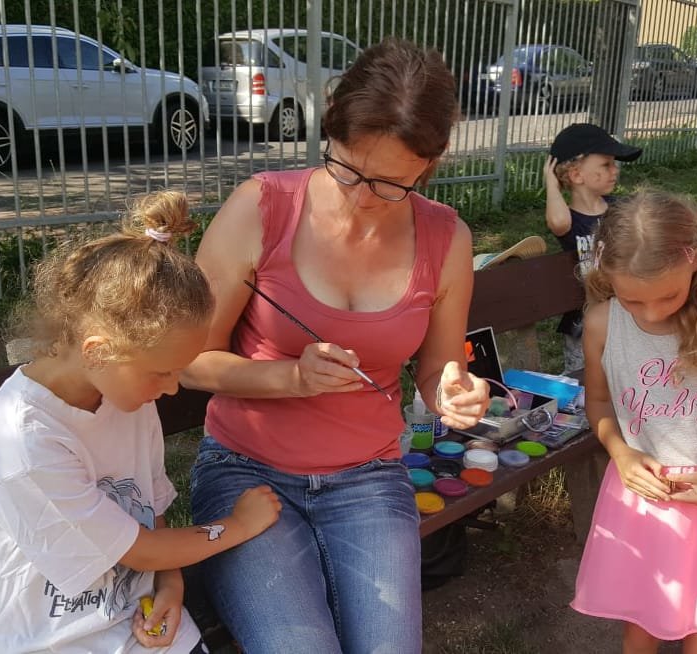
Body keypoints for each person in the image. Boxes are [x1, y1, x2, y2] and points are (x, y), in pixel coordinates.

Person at [180, 38, 490, 654]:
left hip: (369, 476)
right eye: (347, 167)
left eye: (390, 184)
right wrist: (290, 379)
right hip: (246, 469)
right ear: (330, 128)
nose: (361, 197)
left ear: (431, 162)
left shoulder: (446, 237)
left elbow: (438, 366)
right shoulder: (262, 207)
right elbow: (189, 360)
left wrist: (452, 389)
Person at [0, 191, 283, 653]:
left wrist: (170, 585)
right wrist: (237, 526)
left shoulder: (126, 399)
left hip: (142, 621)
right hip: (53, 643)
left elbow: (150, 511)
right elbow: (142, 550)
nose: (172, 388)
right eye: (162, 371)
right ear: (97, 351)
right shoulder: (24, 443)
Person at [571, 190, 697, 652]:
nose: (653, 312)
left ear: (695, 257)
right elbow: (598, 403)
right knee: (640, 619)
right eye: (632, 300)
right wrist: (620, 453)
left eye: (668, 296)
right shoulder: (602, 322)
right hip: (640, 494)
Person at [542, 122, 643, 373]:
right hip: (584, 321)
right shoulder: (569, 220)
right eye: (606, 165)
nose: (615, 170)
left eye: (614, 164)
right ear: (577, 175)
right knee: (586, 379)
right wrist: (552, 184)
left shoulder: (619, 208)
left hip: (625, 314)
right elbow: (558, 222)